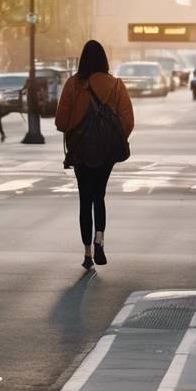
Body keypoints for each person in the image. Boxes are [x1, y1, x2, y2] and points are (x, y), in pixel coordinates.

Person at [55, 40, 134, 270]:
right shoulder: (116, 85)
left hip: (81, 150)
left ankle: (87, 253)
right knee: (99, 197)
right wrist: (111, 138)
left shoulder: (73, 85)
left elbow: (61, 122)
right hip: (106, 152)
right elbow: (128, 121)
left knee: (85, 199)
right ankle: (100, 239)